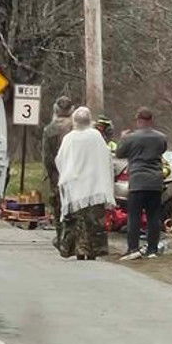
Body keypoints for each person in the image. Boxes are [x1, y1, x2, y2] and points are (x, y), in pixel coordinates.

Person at [54, 107, 115, 260]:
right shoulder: (96, 136)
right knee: (93, 221)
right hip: (94, 185)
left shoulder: (69, 138)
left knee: (77, 221)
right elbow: (106, 158)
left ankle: (78, 250)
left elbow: (60, 159)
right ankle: (93, 250)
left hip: (76, 187)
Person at [115, 107, 169, 260]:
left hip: (137, 181)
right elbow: (162, 151)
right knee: (153, 216)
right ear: (151, 120)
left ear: (138, 120)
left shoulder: (130, 138)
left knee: (134, 216)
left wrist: (122, 138)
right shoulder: (161, 137)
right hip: (155, 181)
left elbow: (119, 153)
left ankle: (133, 248)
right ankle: (152, 250)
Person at [42, 95, 74, 246]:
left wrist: (50, 174)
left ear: (56, 109)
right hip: (77, 173)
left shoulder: (50, 129)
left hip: (58, 173)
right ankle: (74, 237)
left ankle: (61, 236)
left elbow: (47, 157)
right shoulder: (78, 127)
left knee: (59, 205)